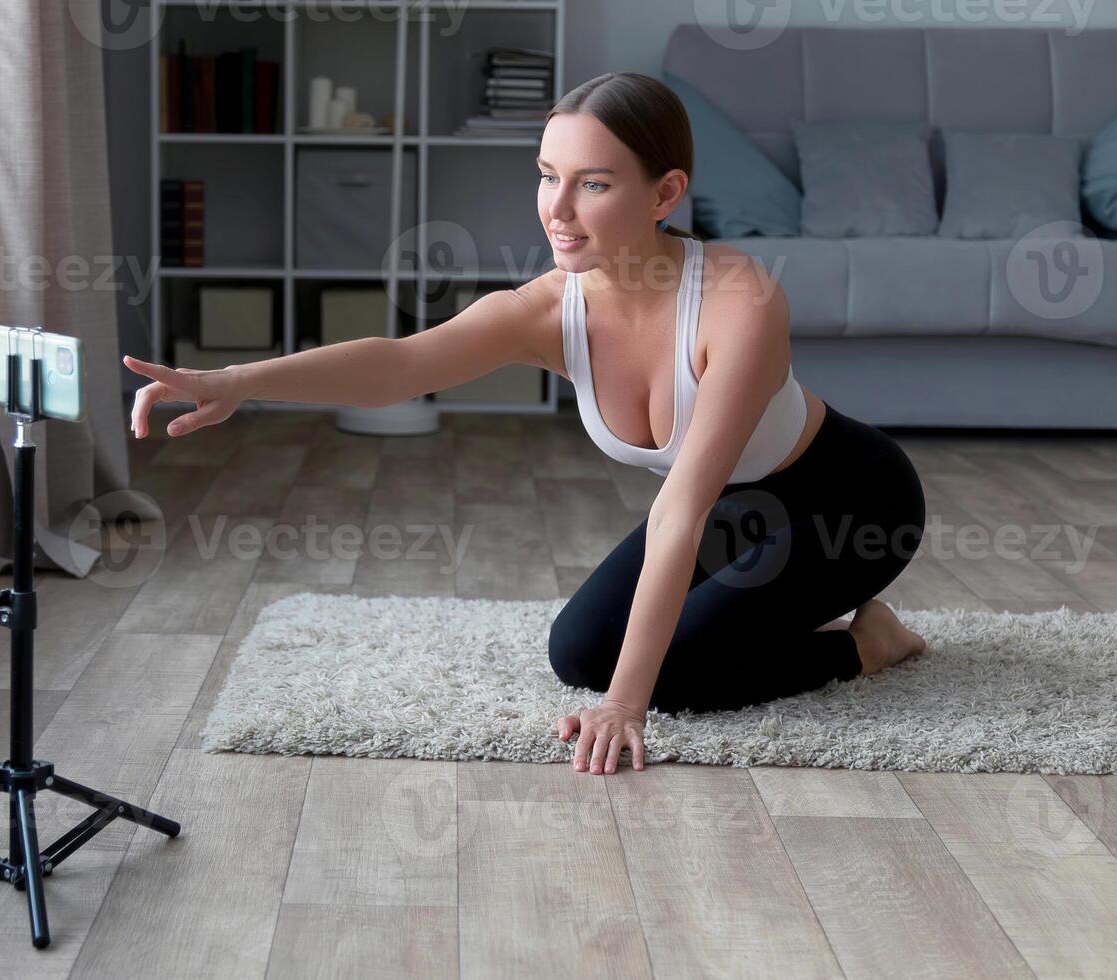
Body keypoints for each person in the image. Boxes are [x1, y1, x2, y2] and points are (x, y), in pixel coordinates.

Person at [121, 72, 929, 779]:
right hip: (735, 509)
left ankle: (869, 642)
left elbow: (679, 511)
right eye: (548, 176)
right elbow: (400, 364)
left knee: (665, 674)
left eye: (594, 184)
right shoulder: (548, 309)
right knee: (577, 655)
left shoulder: (737, 300)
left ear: (665, 193)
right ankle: (804, 631)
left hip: (850, 505)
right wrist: (237, 381)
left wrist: (625, 708)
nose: (559, 209)